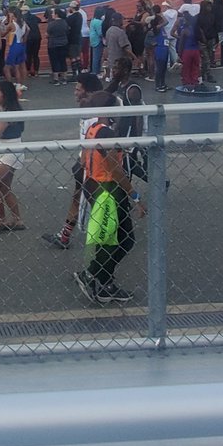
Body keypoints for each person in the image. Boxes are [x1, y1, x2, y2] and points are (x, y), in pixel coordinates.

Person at [73, 91, 146, 305]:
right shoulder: (106, 135)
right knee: (123, 239)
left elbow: (85, 159)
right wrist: (135, 195)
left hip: (94, 185)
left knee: (108, 237)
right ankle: (101, 281)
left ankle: (96, 276)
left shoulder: (93, 130)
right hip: (108, 189)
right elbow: (115, 169)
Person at [41, 72, 103, 250]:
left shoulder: (91, 113)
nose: (75, 92)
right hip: (86, 165)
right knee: (79, 199)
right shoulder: (92, 109)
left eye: (78, 89)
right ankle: (65, 235)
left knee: (92, 202)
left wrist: (82, 165)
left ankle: (104, 238)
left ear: (87, 91)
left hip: (91, 167)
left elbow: (89, 144)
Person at [0, 78, 25, 234]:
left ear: (5, 95)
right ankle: (17, 219)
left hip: (10, 150)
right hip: (5, 148)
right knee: (4, 187)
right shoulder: (7, 109)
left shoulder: (8, 112)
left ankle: (0, 219)